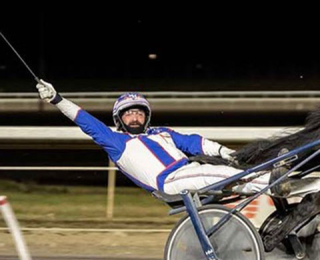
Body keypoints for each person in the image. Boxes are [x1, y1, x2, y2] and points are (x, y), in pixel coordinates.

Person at [36, 80, 278, 197]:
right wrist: (57, 99)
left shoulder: (161, 132)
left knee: (237, 172)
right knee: (225, 175)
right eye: (128, 113)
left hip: (191, 171)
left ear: (146, 117)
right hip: (170, 180)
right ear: (119, 119)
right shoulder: (115, 140)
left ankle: (284, 186)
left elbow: (193, 142)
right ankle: (275, 182)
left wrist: (226, 153)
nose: (134, 117)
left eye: (139, 112)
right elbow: (86, 121)